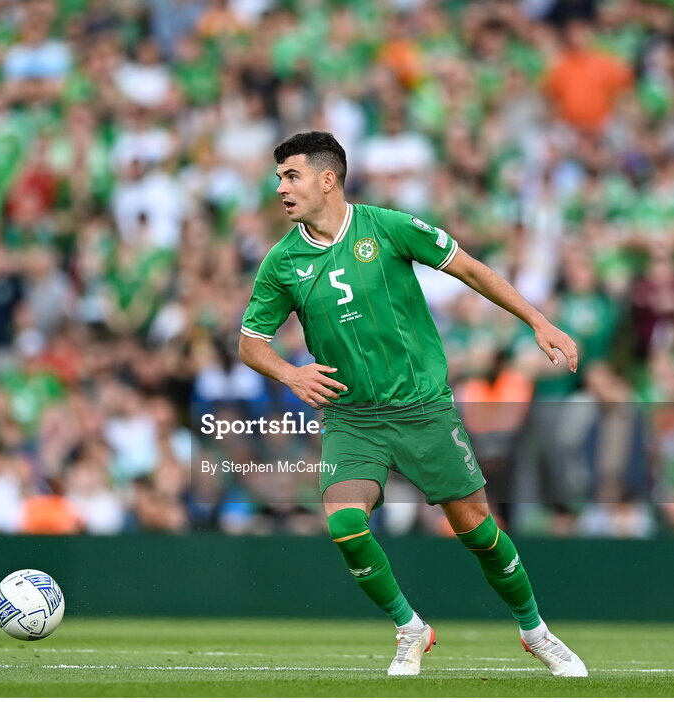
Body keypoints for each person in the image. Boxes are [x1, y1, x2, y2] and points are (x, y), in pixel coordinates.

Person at [237, 132, 586, 677]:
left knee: (477, 530)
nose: (280, 187)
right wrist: (289, 373)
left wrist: (537, 321)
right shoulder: (282, 262)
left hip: (422, 409)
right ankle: (410, 628)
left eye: (291, 175)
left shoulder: (389, 227)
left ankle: (535, 630)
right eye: (279, 177)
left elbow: (470, 269)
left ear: (328, 179)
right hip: (351, 417)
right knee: (344, 525)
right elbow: (250, 343)